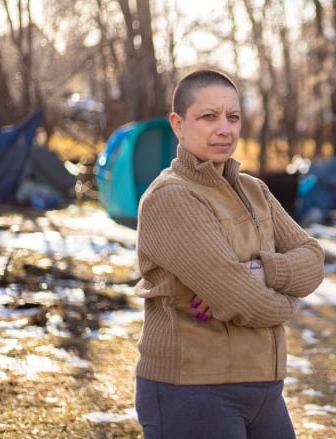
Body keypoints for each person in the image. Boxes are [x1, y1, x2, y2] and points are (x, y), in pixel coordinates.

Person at [133, 68, 325, 438]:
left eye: (233, 117)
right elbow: (241, 298)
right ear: (178, 124)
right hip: (193, 389)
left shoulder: (255, 190)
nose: (225, 128)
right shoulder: (171, 197)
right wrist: (289, 303)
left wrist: (263, 270)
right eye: (209, 116)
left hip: (265, 389)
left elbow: (313, 259)